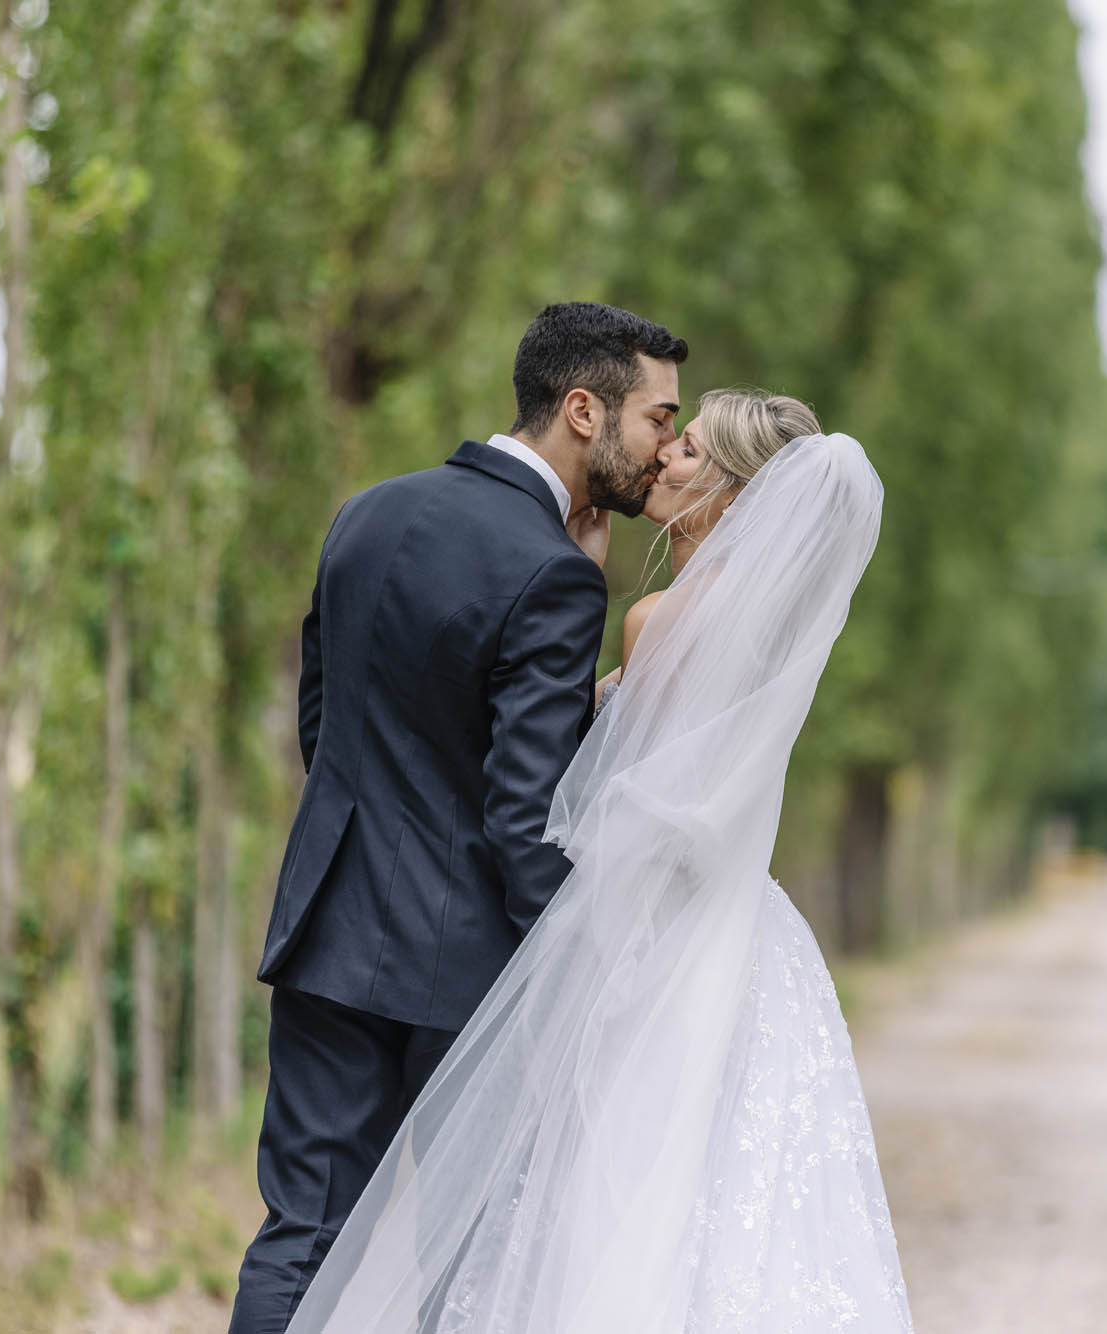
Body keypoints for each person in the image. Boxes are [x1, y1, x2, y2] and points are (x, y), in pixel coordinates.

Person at [278, 389, 914, 1333]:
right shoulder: (768, 637)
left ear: (737, 496)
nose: (666, 459)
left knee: (600, 1202)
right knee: (727, 1206)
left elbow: (585, 794)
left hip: (646, 939)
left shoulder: (656, 619)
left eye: (691, 451)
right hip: (744, 943)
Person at [228, 301, 689, 1334]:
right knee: (473, 1258)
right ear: (583, 410)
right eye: (658, 418)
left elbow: (325, 729)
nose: (666, 446)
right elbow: (524, 814)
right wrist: (579, 964)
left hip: (323, 934)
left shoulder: (366, 513)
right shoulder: (554, 574)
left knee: (300, 1235)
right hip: (465, 976)